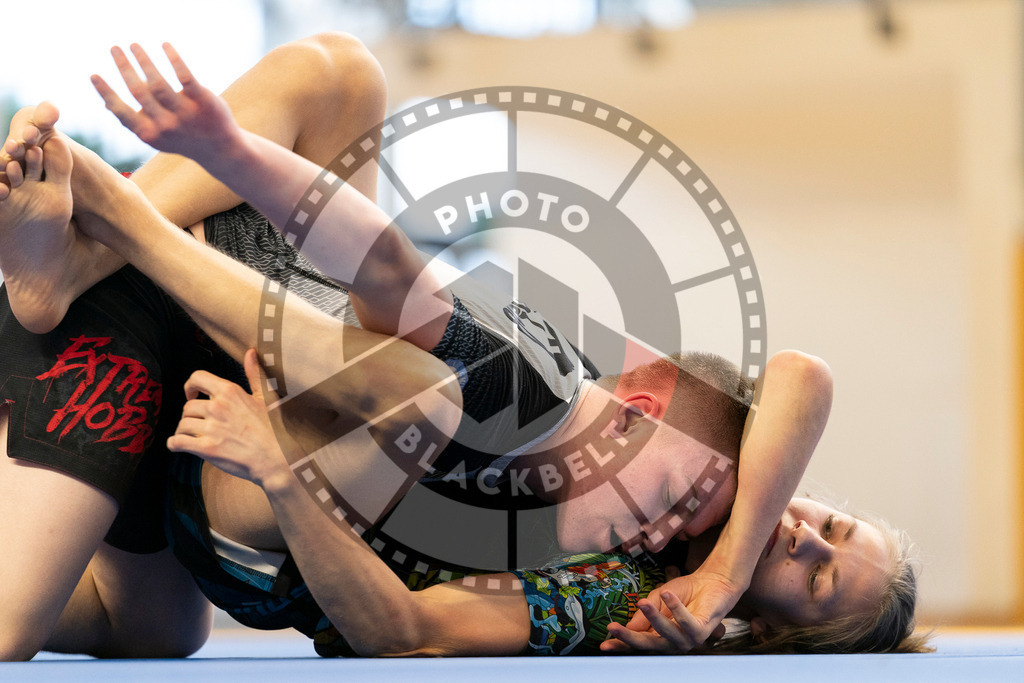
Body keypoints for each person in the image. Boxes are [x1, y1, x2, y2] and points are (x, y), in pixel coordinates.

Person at [0, 36, 921, 658]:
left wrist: (282, 474)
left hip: (272, 456)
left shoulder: (631, 585)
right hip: (271, 335)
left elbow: (407, 630)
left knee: (141, 631)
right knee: (344, 73)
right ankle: (100, 244)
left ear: (778, 632)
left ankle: (109, 238)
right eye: (833, 528)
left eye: (817, 576)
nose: (805, 537)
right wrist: (728, 566)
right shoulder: (663, 433)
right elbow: (802, 376)